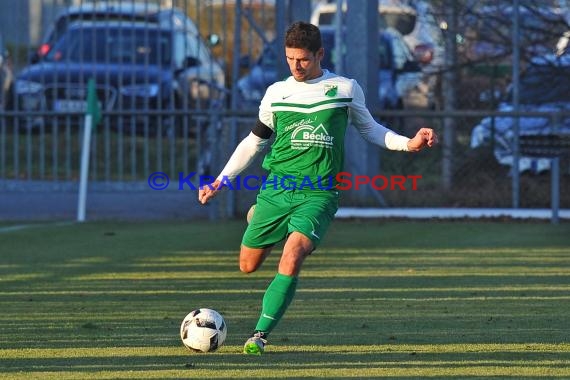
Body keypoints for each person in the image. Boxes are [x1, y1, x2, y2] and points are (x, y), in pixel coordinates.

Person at [198, 21, 438, 355]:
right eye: (290, 59)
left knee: (293, 253)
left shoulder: (344, 89)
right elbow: (254, 143)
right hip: (277, 188)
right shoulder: (276, 93)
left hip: (319, 193)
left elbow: (371, 129)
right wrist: (221, 180)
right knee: (247, 265)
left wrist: (408, 144)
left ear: (319, 54)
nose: (296, 66)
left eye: (303, 60)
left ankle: (259, 335)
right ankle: (260, 216)